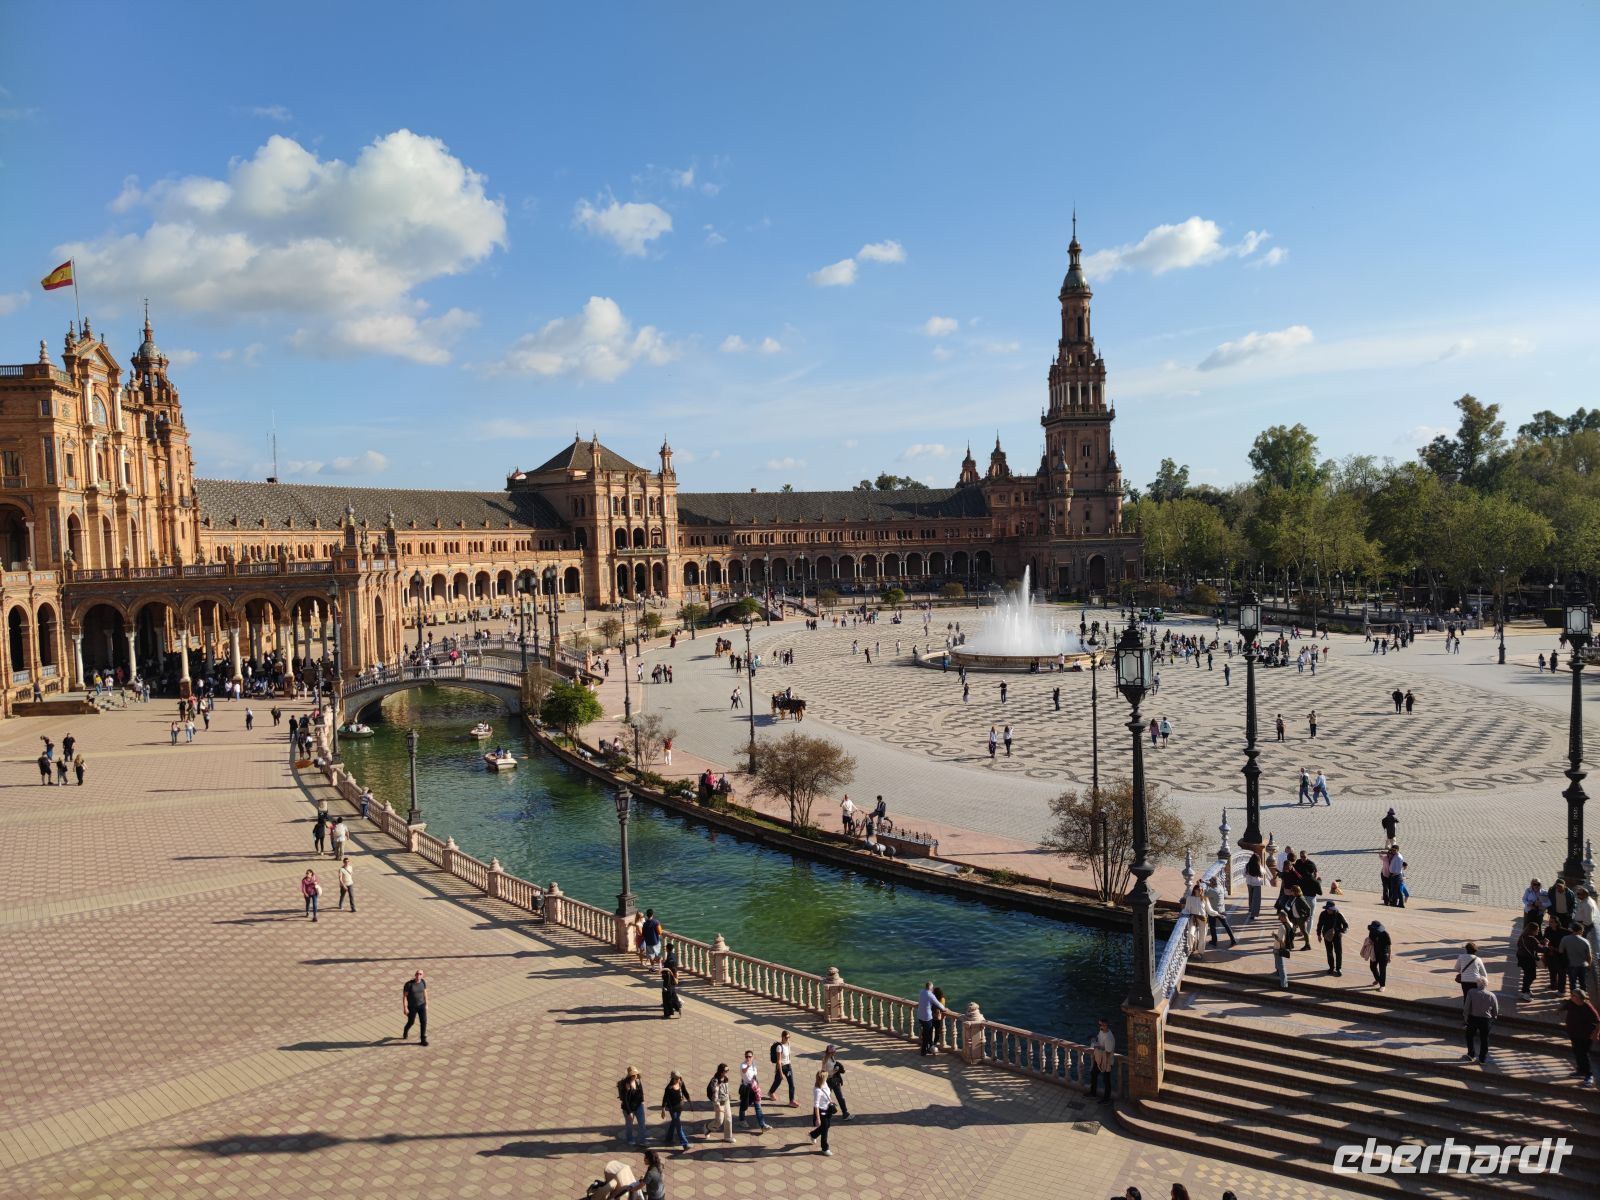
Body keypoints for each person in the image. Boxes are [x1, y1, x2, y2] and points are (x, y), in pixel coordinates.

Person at [1564, 988, 1599, 1086]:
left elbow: (1598, 1022)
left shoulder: (1587, 1006)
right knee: (1577, 1052)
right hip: (1574, 1034)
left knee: (1584, 1054)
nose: (1571, 996)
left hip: (1584, 1035)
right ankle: (1581, 1071)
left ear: (1579, 998)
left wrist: (1596, 1034)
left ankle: (1589, 1075)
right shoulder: (1571, 1003)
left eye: (1573, 995)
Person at [1462, 982, 1498, 1065]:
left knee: (1469, 1036)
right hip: (1486, 1020)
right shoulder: (1492, 995)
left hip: (1473, 1018)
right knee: (1484, 1039)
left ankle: (1471, 1054)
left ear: (1477, 984)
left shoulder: (1471, 992)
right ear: (1486, 985)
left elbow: (1466, 1007)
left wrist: (1466, 1018)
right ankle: (1483, 1059)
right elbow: (1495, 1010)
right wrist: (1493, 1019)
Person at [916, 981, 954, 1055]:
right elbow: (939, 1005)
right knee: (927, 1035)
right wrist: (945, 1009)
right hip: (927, 1018)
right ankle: (924, 1051)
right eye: (932, 988)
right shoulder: (930, 995)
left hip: (920, 1016)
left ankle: (929, 1048)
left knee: (925, 1033)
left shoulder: (922, 992)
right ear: (931, 988)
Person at [659, 1071, 691, 1153]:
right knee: (678, 1125)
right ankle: (685, 1143)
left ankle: (669, 1138)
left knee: (674, 1122)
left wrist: (689, 1099)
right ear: (672, 1078)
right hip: (672, 1109)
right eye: (676, 1078)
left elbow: (684, 1091)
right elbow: (664, 1099)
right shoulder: (669, 1088)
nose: (678, 1080)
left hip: (680, 1107)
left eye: (679, 1078)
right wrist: (663, 1109)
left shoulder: (681, 1083)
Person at [1203, 873, 1236, 948]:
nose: (1210, 883)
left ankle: (1214, 941)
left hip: (1214, 912)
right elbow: (1211, 885)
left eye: (1210, 882)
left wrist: (1202, 885)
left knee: (1212, 926)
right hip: (1222, 910)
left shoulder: (1212, 891)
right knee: (1226, 926)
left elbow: (1204, 894)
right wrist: (1204, 882)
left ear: (1212, 883)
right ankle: (1233, 939)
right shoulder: (1220, 887)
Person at [703, 1063, 734, 1143]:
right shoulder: (715, 1081)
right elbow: (715, 1095)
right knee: (719, 1121)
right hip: (719, 1103)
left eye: (728, 1070)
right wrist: (718, 1106)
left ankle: (728, 1137)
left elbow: (726, 1089)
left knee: (729, 1119)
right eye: (726, 1070)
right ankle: (707, 1127)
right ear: (721, 1071)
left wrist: (729, 1096)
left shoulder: (726, 1078)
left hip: (726, 1101)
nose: (727, 1072)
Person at [1516, 921, 1547, 998]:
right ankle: (1524, 991)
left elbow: (1530, 945)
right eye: (1537, 929)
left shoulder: (1522, 936)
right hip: (1528, 959)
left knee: (1527, 975)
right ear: (1533, 930)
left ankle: (1526, 989)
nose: (1538, 931)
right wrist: (1546, 944)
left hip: (1521, 958)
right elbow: (1541, 949)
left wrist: (1540, 943)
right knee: (1531, 976)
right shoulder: (1532, 939)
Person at [617, 1066, 648, 1147]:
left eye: (636, 1074)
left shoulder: (638, 1081)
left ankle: (643, 1140)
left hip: (639, 1106)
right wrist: (629, 1112)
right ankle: (630, 1139)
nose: (635, 1076)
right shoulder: (626, 1085)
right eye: (634, 1075)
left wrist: (642, 1101)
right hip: (628, 1108)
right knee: (629, 1125)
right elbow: (625, 1100)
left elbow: (641, 1091)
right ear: (630, 1075)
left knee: (642, 1124)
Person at [1088, 1017, 1117, 1102]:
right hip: (1100, 1059)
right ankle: (1093, 1093)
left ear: (1106, 1025)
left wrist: (1105, 1065)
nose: (1100, 1026)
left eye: (1102, 1025)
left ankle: (1106, 1099)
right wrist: (1095, 1042)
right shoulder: (1101, 1031)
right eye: (1099, 1024)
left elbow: (1107, 1052)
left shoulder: (1109, 1038)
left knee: (1106, 1080)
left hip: (1106, 1061)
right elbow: (1100, 1042)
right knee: (1094, 1074)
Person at [1316, 900, 1348, 976]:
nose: (1329, 910)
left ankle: (1338, 968)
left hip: (1337, 936)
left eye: (1331, 909)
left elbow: (1345, 925)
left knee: (1338, 952)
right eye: (1328, 909)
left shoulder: (1338, 914)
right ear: (1326, 908)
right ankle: (1331, 967)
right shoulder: (1323, 914)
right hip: (1327, 935)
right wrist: (1319, 935)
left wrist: (1341, 931)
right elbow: (1319, 925)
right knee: (1329, 952)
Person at [807, 1068, 835, 1156]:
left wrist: (830, 1100)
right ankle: (825, 1148)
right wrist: (818, 1118)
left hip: (828, 1109)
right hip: (822, 1111)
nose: (827, 1078)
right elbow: (816, 1105)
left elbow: (827, 1093)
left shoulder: (825, 1083)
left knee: (827, 1126)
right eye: (826, 1077)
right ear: (823, 1078)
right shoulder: (817, 1091)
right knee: (825, 1130)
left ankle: (813, 1134)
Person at [820, 1045, 849, 1119]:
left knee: (828, 1097)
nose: (834, 1053)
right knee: (839, 1097)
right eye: (833, 1052)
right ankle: (845, 1113)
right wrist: (835, 1070)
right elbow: (826, 1073)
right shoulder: (826, 1060)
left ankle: (844, 1113)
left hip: (833, 1080)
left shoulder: (830, 1058)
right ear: (830, 1052)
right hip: (831, 1080)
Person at [768, 1029, 796, 1105]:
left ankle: (791, 1101)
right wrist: (780, 1073)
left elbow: (789, 1056)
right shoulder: (779, 1047)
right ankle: (771, 1092)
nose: (787, 1039)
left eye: (789, 1037)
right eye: (786, 1037)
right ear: (782, 1037)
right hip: (781, 1067)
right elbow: (779, 1061)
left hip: (788, 1067)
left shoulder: (789, 1044)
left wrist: (790, 1064)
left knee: (791, 1084)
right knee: (777, 1082)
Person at [1364, 921, 1392, 992]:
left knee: (1382, 970)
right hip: (1374, 953)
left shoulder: (1385, 934)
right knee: (1372, 967)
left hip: (1383, 954)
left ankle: (1382, 986)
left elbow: (1389, 946)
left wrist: (1389, 956)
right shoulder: (1371, 932)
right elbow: (1371, 940)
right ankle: (1377, 979)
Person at [401, 969, 428, 1044]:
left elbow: (425, 992)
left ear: (422, 975)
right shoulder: (409, 984)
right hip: (412, 1007)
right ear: (415, 974)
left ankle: (423, 1039)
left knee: (424, 1021)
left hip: (421, 1005)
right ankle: (405, 1030)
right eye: (417, 974)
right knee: (411, 1022)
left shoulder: (423, 982)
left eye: (420, 974)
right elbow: (404, 997)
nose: (418, 975)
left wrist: (426, 1004)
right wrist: (405, 1008)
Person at [1243, 850, 1264, 921]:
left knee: (1251, 897)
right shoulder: (1259, 866)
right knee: (1256, 899)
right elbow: (1263, 873)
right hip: (1257, 884)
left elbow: (1244, 874)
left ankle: (1251, 909)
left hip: (1249, 883)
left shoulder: (1247, 865)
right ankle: (1253, 914)